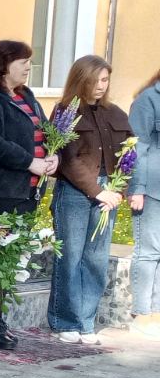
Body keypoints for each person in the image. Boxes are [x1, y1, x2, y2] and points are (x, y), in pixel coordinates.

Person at [0, 40, 59, 349]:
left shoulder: (26, 95)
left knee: (12, 258)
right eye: (23, 61)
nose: (29, 67)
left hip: (27, 191)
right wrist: (30, 161)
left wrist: (53, 155)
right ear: (3, 64)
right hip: (1, 190)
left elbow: (44, 132)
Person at [48, 55, 132, 344]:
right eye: (94, 80)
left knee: (96, 259)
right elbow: (68, 160)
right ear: (80, 80)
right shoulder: (65, 111)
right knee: (70, 257)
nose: (100, 85)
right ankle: (65, 321)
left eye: (105, 80)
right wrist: (98, 191)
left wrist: (118, 190)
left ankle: (86, 322)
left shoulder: (116, 113)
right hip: (75, 192)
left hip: (109, 192)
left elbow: (130, 155)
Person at [128, 67, 160, 337]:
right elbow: (137, 147)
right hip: (151, 190)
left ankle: (157, 313)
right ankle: (141, 315)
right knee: (148, 252)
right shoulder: (148, 100)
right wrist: (136, 188)